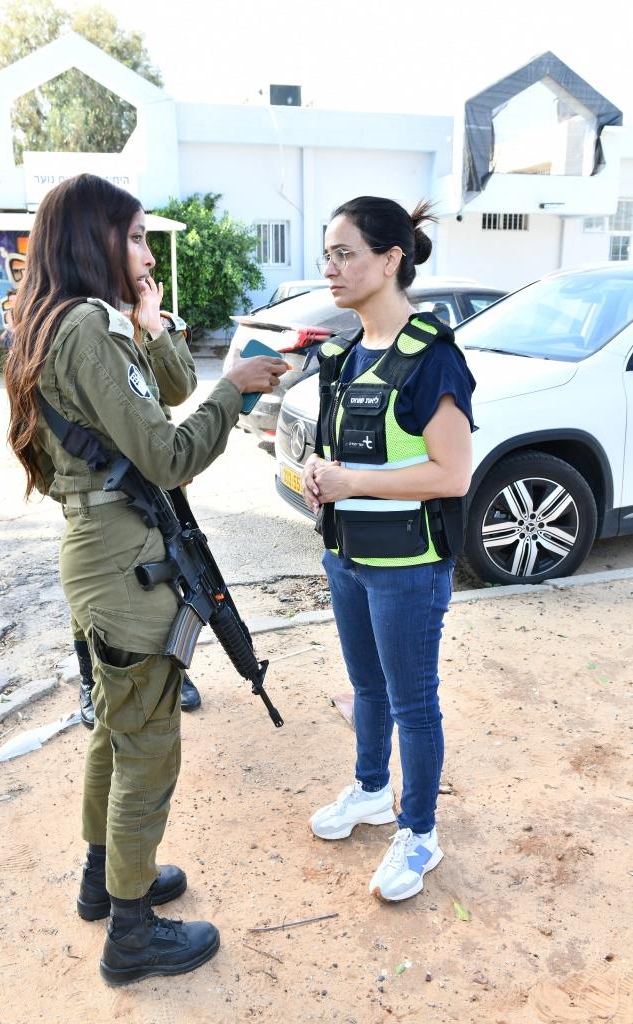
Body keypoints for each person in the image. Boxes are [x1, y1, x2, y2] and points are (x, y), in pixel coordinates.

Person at [4, 173, 286, 985]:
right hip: (124, 567)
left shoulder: (63, 321)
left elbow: (162, 388)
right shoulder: (87, 326)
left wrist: (151, 316)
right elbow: (165, 452)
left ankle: (105, 881)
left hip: (101, 558)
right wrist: (234, 391)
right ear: (93, 238)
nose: (142, 250)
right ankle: (131, 934)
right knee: (147, 747)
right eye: (130, 237)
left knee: (116, 733)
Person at [303, 196, 474, 903]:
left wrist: (352, 480)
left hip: (408, 569)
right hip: (346, 557)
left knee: (413, 702)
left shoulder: (431, 359)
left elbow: (452, 473)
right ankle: (371, 789)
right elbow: (335, 449)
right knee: (366, 689)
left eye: (346, 253)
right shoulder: (341, 354)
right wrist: (321, 474)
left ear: (390, 259)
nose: (332, 268)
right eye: (328, 254)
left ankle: (419, 831)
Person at [73, 308, 202, 728]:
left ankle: (172, 669)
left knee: (176, 565)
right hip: (113, 482)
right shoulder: (91, 327)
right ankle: (89, 678)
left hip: (159, 472)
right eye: (136, 245)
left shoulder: (153, 322)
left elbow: (181, 388)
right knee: (97, 594)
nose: (147, 264)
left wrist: (156, 329)